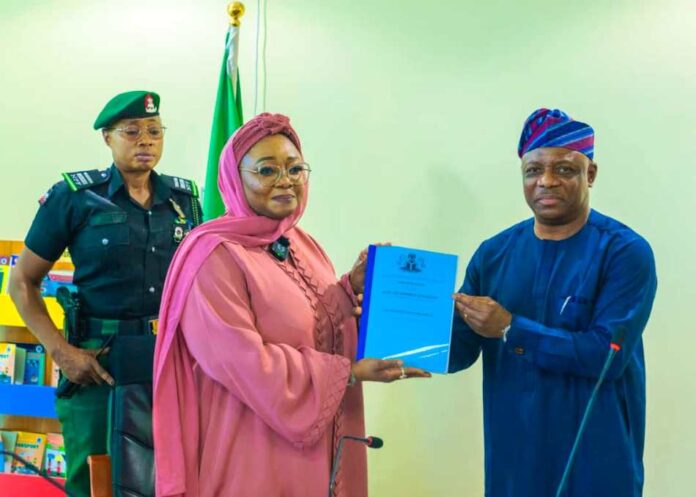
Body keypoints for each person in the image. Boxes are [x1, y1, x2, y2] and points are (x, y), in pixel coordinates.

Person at [152, 112, 429, 497]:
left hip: (318, 448)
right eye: (266, 170)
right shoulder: (212, 255)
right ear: (235, 178)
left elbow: (310, 327)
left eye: (295, 168)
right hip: (252, 451)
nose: (286, 180)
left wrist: (351, 290)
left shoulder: (302, 243)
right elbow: (243, 361)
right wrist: (347, 372)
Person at [449, 108, 657, 497]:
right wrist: (392, 327)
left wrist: (512, 328)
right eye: (533, 170)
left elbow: (606, 356)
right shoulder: (494, 254)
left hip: (597, 461)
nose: (546, 181)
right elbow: (458, 351)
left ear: (590, 174)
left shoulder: (624, 252)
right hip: (514, 463)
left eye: (564, 169)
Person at [9, 90, 202, 497]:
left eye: (154, 131)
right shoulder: (74, 198)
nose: (145, 140)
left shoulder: (185, 202)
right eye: (132, 131)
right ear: (107, 138)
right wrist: (61, 352)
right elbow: (22, 282)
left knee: (163, 475)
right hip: (97, 360)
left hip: (164, 357)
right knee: (92, 476)